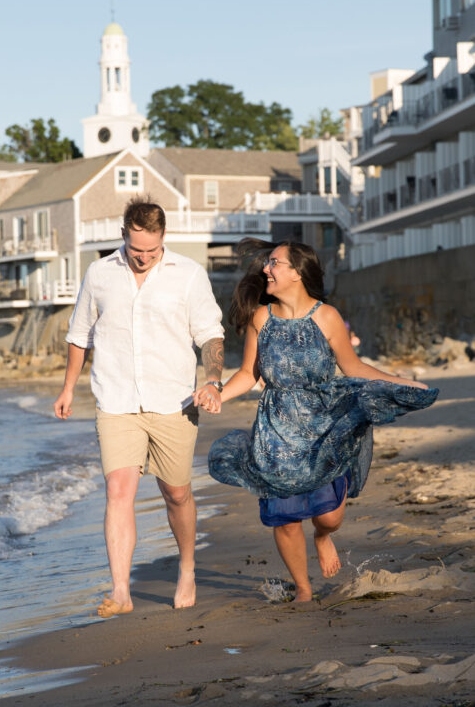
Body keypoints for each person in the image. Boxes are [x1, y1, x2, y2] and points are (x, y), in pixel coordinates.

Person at [206, 239, 438, 603]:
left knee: (329, 515)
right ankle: (303, 588)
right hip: (275, 430)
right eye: (268, 263)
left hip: (323, 427)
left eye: (275, 263)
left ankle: (322, 537)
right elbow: (249, 374)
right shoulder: (260, 318)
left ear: (297, 273)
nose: (267, 269)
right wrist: (216, 392)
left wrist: (402, 381)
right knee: (283, 516)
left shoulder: (326, 317)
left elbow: (354, 367)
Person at [54, 197, 225, 617]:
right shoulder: (99, 274)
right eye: (136, 251)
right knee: (118, 491)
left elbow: (210, 336)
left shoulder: (188, 275)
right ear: (124, 236)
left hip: (174, 402)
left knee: (177, 493)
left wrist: (214, 379)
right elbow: (80, 335)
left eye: (151, 250)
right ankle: (120, 591)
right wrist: (67, 389)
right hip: (115, 400)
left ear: (162, 237)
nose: (144, 258)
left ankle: (187, 566)